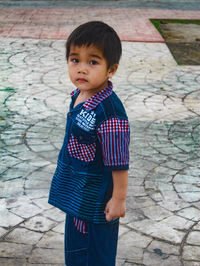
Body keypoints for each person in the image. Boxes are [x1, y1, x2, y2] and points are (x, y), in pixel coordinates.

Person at [48, 21, 130, 266]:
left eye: (93, 62)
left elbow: (119, 163)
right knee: (75, 252)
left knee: (92, 255)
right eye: (75, 60)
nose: (81, 69)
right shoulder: (79, 96)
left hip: (96, 203)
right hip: (77, 196)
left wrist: (118, 199)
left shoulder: (110, 113)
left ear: (110, 69)